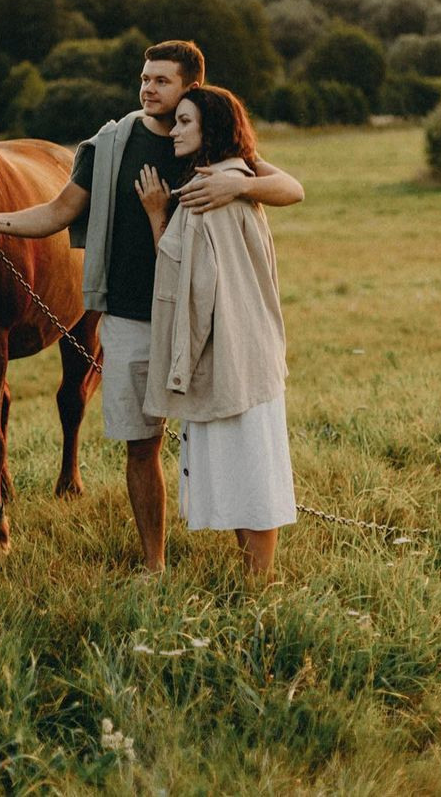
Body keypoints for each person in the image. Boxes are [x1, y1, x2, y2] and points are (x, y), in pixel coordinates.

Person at [0, 41, 303, 572]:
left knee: (231, 436)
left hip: (202, 325)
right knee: (140, 445)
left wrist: (241, 183)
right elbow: (58, 211)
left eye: (160, 81)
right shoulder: (110, 144)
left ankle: (253, 560)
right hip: (129, 319)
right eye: (144, 78)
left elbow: (289, 187)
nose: (147, 88)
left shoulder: (209, 143)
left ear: (190, 88)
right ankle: (153, 565)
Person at [135, 85, 296, 578]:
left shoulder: (212, 189)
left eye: (185, 122)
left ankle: (258, 584)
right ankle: (255, 579)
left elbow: (188, 283)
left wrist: (156, 215)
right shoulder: (233, 178)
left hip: (230, 352)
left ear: (211, 128)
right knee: (244, 465)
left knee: (250, 471)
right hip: (247, 348)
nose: (175, 131)